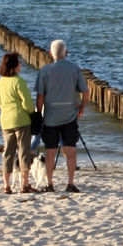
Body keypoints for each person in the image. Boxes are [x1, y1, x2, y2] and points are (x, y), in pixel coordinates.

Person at [35, 39, 88, 193]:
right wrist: (82, 107)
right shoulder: (74, 69)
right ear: (66, 52)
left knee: (50, 151)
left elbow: (40, 96)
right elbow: (85, 92)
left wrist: (39, 114)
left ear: (50, 53)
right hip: (69, 116)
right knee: (70, 151)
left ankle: (49, 184)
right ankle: (70, 183)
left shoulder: (45, 70)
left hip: (51, 116)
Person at [0, 52, 35, 195]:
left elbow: (0, 102)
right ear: (13, 66)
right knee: (23, 152)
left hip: (5, 120)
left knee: (8, 153)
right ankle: (25, 184)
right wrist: (32, 112)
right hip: (21, 120)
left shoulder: (1, 82)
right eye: (19, 63)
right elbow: (27, 103)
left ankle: (6, 185)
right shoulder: (19, 81)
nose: (21, 65)